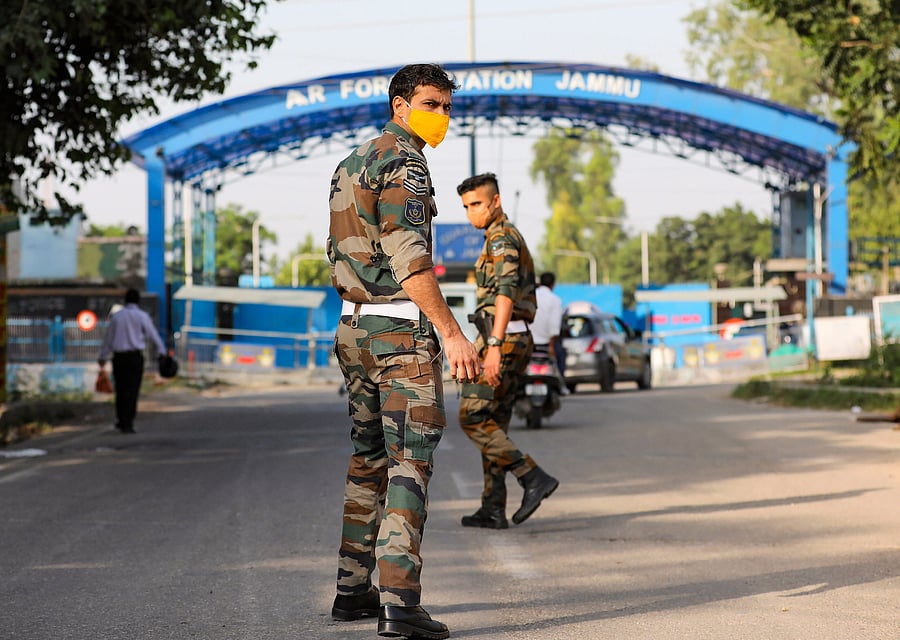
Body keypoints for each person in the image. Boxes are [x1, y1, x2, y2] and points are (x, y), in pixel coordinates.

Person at [327, 63, 480, 640]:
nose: (440, 116)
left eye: (446, 107)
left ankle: (351, 590)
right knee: (408, 463)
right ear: (399, 105)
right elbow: (409, 259)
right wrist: (451, 330)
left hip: (353, 331)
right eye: (430, 105)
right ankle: (399, 602)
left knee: (367, 459)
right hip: (399, 338)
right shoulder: (405, 164)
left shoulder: (352, 162)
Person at [456, 172, 560, 530]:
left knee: (471, 417)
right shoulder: (497, 236)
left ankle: (532, 476)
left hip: (505, 339)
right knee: (493, 422)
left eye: (477, 204)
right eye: (467, 207)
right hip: (513, 338)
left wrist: (495, 347)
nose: (472, 213)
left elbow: (505, 291)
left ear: (496, 202)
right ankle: (493, 507)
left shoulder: (502, 238)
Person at [97, 288, 166, 433]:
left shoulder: (117, 317)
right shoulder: (142, 316)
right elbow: (153, 335)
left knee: (121, 390)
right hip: (135, 358)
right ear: (138, 301)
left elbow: (108, 339)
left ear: (125, 300)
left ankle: (122, 420)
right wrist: (162, 351)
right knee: (133, 390)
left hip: (119, 358)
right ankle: (129, 420)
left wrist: (103, 357)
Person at [532, 271, 566, 379]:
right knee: (561, 356)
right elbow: (554, 326)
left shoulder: (531, 296)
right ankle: (561, 383)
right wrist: (551, 346)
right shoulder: (555, 300)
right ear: (553, 284)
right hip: (546, 344)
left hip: (529, 343)